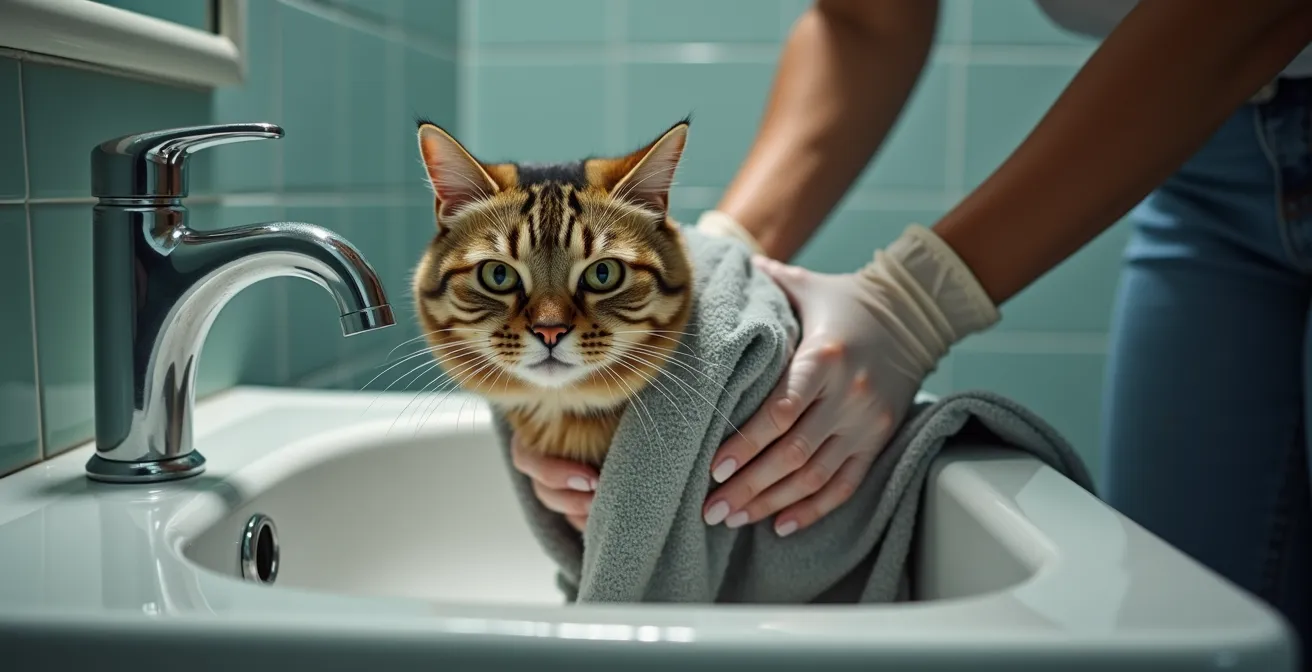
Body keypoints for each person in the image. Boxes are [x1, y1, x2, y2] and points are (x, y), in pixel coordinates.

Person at [510, 0, 1312, 652]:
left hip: (1217, 81)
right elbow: (867, 18)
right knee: (1189, 626)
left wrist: (916, 301)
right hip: (1205, 164)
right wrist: (718, 262)